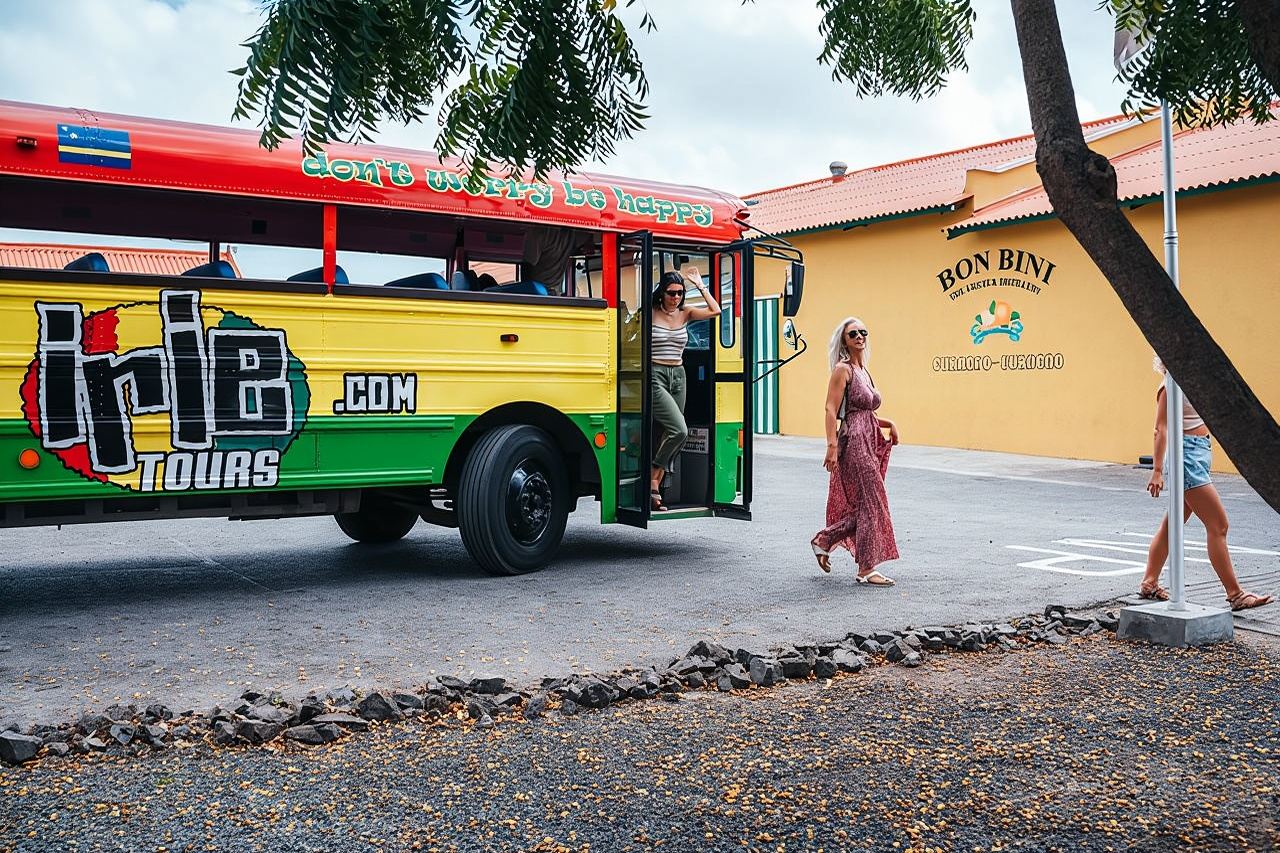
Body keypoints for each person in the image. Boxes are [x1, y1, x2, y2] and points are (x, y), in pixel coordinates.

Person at [1139, 356, 1272, 610]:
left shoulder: (1189, 383)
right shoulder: (1169, 385)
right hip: (1185, 456)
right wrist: (1157, 471)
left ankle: (1149, 582)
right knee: (1218, 525)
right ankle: (1235, 594)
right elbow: (1161, 429)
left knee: (1173, 525)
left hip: (1196, 452)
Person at [810, 317, 900, 584]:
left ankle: (824, 540)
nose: (859, 337)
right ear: (845, 341)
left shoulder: (864, 370)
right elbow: (830, 409)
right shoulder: (843, 369)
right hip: (854, 442)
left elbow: (865, 411)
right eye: (853, 334)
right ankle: (866, 569)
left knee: (868, 504)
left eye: (863, 332)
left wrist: (889, 423)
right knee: (873, 502)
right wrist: (831, 446)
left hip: (869, 438)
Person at [650, 265, 721, 510]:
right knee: (679, 430)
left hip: (679, 376)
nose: (676, 297)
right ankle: (653, 477)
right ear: (661, 293)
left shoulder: (685, 312)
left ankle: (655, 487)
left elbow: (716, 311)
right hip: (655, 375)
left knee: (669, 434)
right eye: (671, 293)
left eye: (680, 292)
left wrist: (699, 286)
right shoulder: (650, 313)